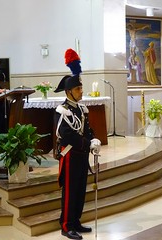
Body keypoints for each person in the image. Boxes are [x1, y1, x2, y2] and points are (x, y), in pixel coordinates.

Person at [55, 49, 101, 240]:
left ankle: (76, 221)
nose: (81, 92)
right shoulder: (62, 110)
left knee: (80, 190)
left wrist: (94, 139)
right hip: (70, 155)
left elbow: (87, 129)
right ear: (68, 92)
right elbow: (66, 135)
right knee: (70, 191)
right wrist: (86, 143)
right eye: (78, 89)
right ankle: (66, 225)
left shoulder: (82, 109)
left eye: (81, 88)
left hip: (82, 155)